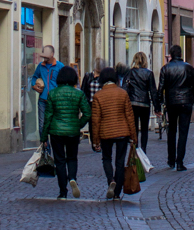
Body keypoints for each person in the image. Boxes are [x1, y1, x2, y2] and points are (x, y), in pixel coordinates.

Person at [42, 65, 91, 200]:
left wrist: (44, 136)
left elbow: (48, 117)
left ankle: (63, 192)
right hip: (73, 132)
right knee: (72, 157)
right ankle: (72, 178)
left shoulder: (52, 93)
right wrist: (78, 124)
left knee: (60, 161)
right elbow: (87, 113)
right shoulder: (79, 93)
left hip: (56, 131)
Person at [90, 67, 137, 199]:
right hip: (123, 131)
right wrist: (133, 136)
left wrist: (95, 141)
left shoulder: (98, 96)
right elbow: (129, 116)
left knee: (106, 158)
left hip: (105, 132)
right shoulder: (123, 93)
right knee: (120, 162)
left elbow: (96, 120)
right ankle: (117, 193)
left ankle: (111, 180)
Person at [157, 43, 194, 170]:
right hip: (186, 102)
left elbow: (161, 88)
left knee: (171, 130)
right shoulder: (188, 68)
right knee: (183, 132)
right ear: (180, 54)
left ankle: (171, 159)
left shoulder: (165, 68)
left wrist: (159, 104)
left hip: (171, 102)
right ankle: (179, 162)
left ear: (171, 55)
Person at [124, 52, 159, 149]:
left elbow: (124, 89)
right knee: (144, 130)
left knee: (133, 129)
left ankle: (135, 150)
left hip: (133, 103)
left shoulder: (130, 72)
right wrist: (157, 108)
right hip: (144, 104)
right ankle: (143, 151)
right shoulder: (148, 73)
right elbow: (153, 91)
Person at [29, 46, 61, 141]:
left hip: (55, 101)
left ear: (52, 55)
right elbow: (34, 77)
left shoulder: (59, 66)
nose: (44, 58)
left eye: (46, 56)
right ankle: (45, 148)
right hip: (43, 100)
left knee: (55, 124)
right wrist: (34, 85)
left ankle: (56, 147)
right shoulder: (40, 66)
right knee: (42, 124)